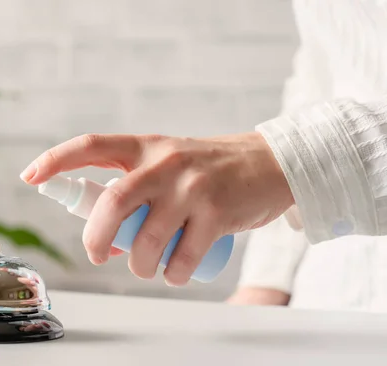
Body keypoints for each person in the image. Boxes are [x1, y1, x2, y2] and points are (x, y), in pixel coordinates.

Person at [20, 0, 387, 291]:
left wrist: (286, 159)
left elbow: (289, 165)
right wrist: (266, 282)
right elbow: (325, 73)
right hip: (330, 294)